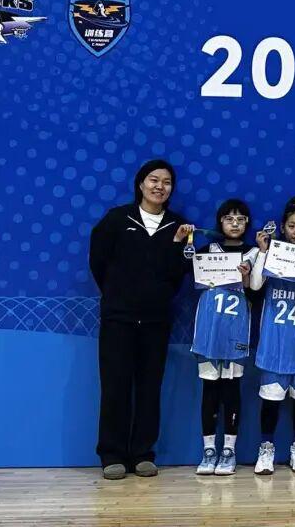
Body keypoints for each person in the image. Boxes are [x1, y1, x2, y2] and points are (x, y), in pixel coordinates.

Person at [89, 159, 191, 480]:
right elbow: (98, 262)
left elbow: (179, 273)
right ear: (140, 184)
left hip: (156, 321)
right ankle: (112, 454)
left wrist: (176, 247)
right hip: (118, 319)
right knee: (115, 386)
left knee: (149, 388)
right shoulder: (117, 219)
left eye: (167, 182)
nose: (160, 186)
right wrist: (118, 295)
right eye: (154, 180)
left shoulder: (178, 226)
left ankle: (143, 453)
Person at [249, 198, 295, 475]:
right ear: (283, 227)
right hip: (273, 342)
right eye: (292, 226)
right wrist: (264, 252)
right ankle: (266, 448)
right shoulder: (270, 255)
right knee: (271, 401)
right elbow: (255, 286)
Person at [191, 199, 258, 476]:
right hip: (209, 331)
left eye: (241, 219)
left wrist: (246, 279)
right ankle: (208, 450)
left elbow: (257, 294)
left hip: (236, 332)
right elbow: (188, 276)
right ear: (220, 221)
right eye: (229, 218)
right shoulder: (206, 252)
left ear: (247, 223)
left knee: (231, 391)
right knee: (210, 391)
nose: (235, 223)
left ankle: (229, 450)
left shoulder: (254, 253)